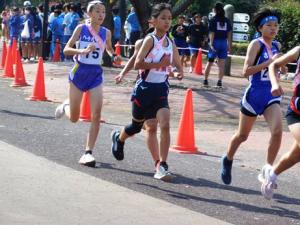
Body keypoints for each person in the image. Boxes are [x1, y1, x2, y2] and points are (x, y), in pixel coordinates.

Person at [111, 3, 183, 181]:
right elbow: (137, 63)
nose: (167, 22)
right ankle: (119, 138)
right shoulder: (149, 40)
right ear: (154, 21)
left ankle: (161, 164)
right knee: (136, 127)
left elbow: (176, 64)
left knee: (161, 125)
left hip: (160, 90)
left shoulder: (170, 42)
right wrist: (123, 74)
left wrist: (178, 72)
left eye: (169, 18)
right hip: (143, 90)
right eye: (163, 18)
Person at [220, 8, 283, 185]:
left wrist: (281, 65)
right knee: (242, 135)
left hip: (271, 95)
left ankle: (267, 172)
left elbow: (278, 68)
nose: (273, 28)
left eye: (276, 25)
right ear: (260, 28)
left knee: (277, 132)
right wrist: (268, 63)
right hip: (254, 94)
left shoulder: (277, 46)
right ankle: (228, 159)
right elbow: (245, 72)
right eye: (269, 25)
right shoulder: (256, 44)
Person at [55, 0, 120, 167]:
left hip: (95, 75)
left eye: (103, 12)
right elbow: (66, 49)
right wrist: (81, 51)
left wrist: (114, 56)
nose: (101, 15)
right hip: (79, 73)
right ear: (90, 13)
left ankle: (88, 152)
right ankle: (65, 107)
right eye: (97, 11)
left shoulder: (106, 32)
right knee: (75, 119)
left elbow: (108, 48)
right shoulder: (81, 28)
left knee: (96, 114)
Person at [260, 45, 300, 200]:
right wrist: (275, 84)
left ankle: (272, 174)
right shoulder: (298, 50)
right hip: (297, 113)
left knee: (295, 156)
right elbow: (273, 65)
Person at [203, 2, 232, 88]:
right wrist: (229, 45)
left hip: (215, 42)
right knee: (222, 64)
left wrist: (211, 44)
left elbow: (212, 33)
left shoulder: (213, 20)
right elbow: (229, 34)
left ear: (215, 10)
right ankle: (219, 82)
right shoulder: (227, 20)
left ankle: (205, 81)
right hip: (224, 43)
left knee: (210, 62)